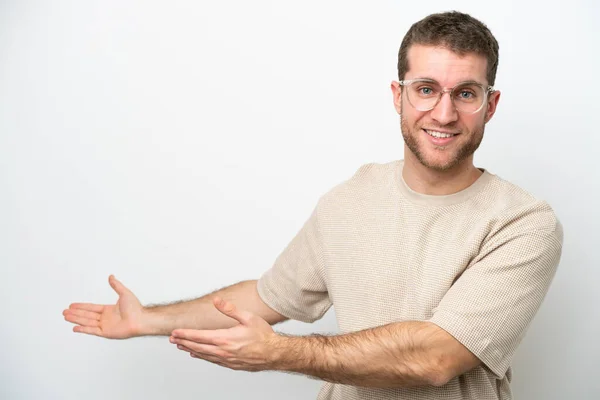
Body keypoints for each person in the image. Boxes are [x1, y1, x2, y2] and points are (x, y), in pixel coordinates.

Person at [63, 11, 563, 400]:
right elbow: (268, 297)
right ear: (398, 95)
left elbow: (434, 357)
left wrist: (280, 354)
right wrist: (145, 319)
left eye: (466, 93)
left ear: (490, 105)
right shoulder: (351, 198)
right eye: (426, 89)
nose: (444, 112)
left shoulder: (522, 222)